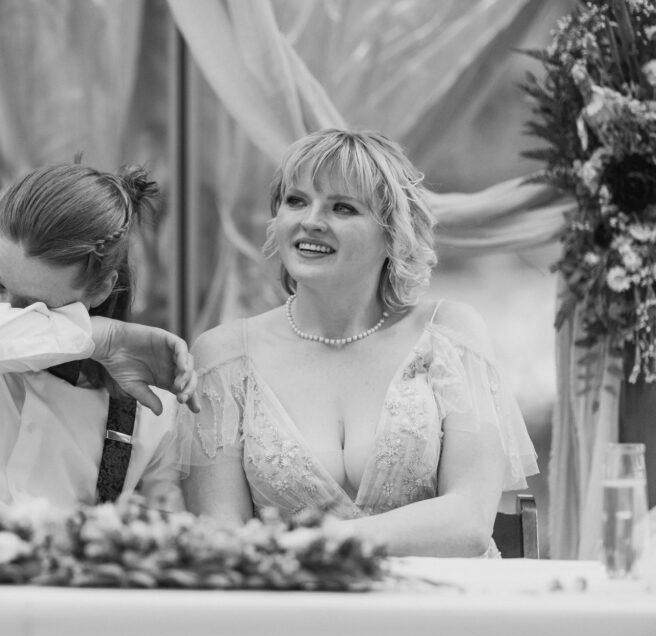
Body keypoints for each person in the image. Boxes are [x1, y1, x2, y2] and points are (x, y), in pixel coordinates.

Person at [179, 129, 538, 557]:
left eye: (342, 207)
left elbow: (470, 520)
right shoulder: (223, 356)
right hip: (293, 611)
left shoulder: (450, 335)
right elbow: (221, 539)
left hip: (443, 610)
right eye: (296, 200)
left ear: (393, 234)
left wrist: (312, 542)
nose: (310, 220)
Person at [0, 162, 198, 519]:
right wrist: (100, 336)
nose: (4, 309)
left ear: (101, 290)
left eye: (34, 306)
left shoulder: (149, 414)